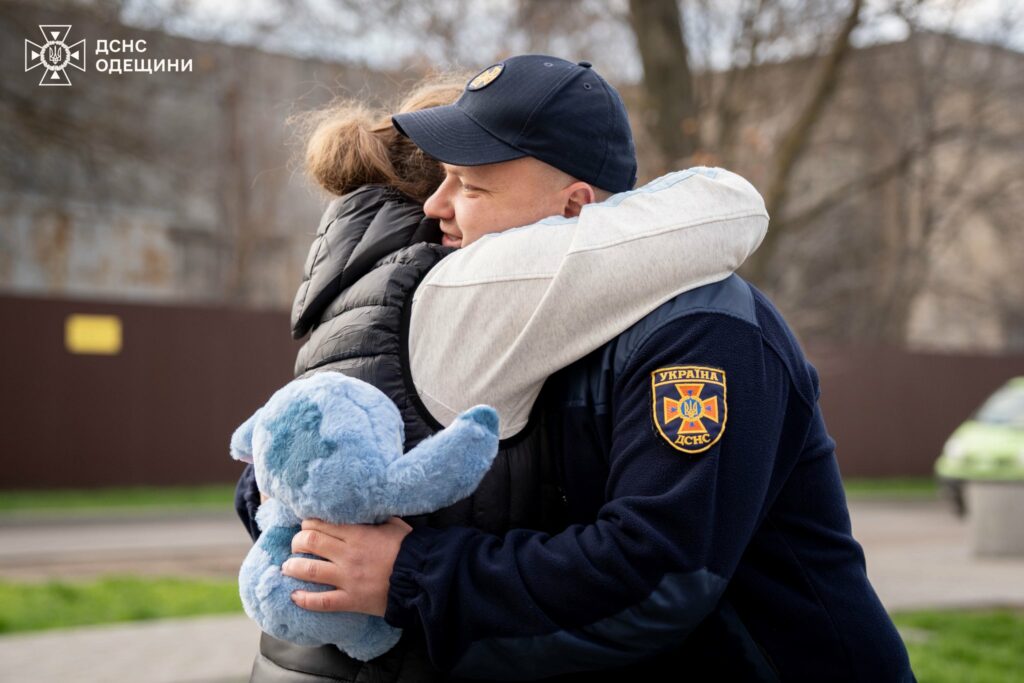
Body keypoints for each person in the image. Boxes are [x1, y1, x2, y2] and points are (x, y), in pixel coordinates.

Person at [271, 55, 918, 681]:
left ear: (576, 206)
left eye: (470, 185)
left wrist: (411, 573)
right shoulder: (526, 321)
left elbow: (656, 573)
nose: (438, 207)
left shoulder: (701, 330)